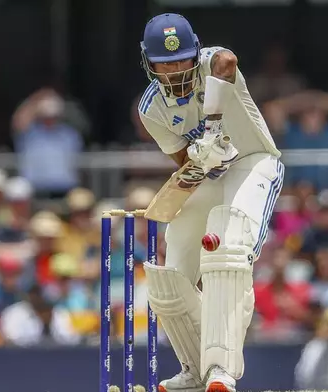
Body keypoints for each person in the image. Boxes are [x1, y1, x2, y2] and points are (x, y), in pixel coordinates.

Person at [137, 13, 284, 392]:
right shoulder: (151, 108)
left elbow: (228, 61)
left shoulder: (212, 63)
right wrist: (202, 157)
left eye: (182, 58)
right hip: (208, 177)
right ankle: (194, 367)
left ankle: (221, 371)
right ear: (148, 63)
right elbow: (183, 163)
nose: (174, 68)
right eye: (164, 62)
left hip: (253, 164)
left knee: (228, 253)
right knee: (172, 274)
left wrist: (214, 125)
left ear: (196, 52)